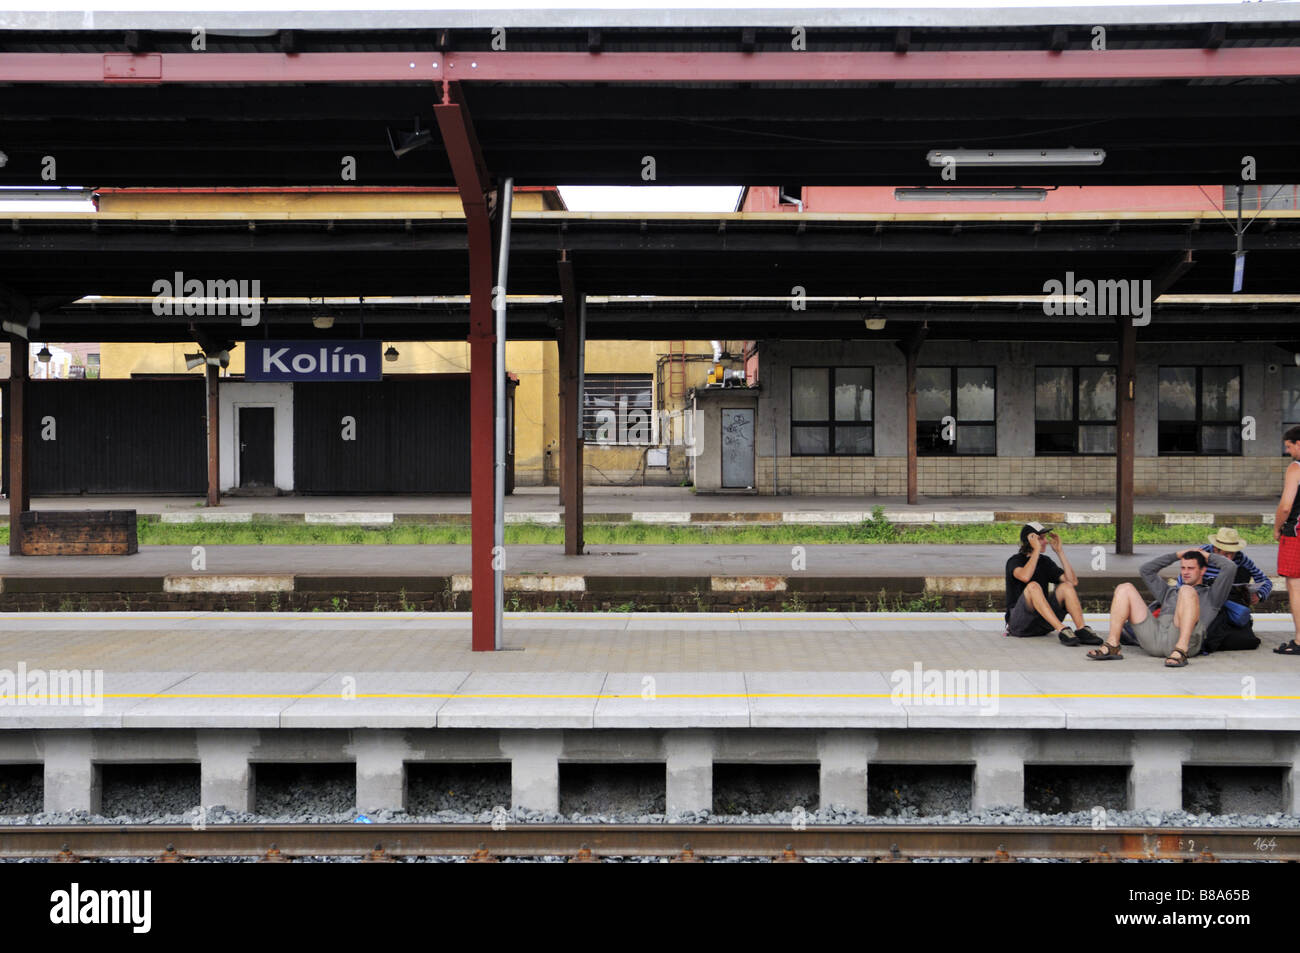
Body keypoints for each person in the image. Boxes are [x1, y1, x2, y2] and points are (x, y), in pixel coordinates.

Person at [1087, 548, 1236, 667]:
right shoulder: (1168, 592)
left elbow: (1230, 568)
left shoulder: (1212, 596)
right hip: (1156, 637)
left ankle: (1181, 651)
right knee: (1124, 588)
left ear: (1203, 570)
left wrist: (1207, 555)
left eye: (1191, 568)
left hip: (1186, 641)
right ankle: (1112, 644)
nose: (1185, 572)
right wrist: (1177, 555)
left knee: (1186, 590)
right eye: (1183, 567)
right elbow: (1146, 570)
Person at [1004, 522, 1102, 645]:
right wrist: (1036, 551)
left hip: (1043, 623)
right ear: (1030, 541)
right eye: (1041, 538)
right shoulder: (1015, 561)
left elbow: (1072, 581)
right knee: (1033, 586)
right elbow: (1025, 576)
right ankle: (1062, 629)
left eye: (1045, 538)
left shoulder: (1045, 561)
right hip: (1019, 625)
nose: (1045, 541)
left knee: (1066, 586)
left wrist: (1060, 552)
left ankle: (1081, 629)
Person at [1199, 527, 1268, 653]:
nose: (1230, 558)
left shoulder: (1241, 558)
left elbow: (1265, 580)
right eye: (1225, 554)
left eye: (1233, 553)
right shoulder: (1200, 555)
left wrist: (1259, 594)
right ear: (1215, 549)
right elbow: (1182, 584)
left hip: (1228, 602)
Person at [1273, 425, 1300, 655]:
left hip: (1296, 533)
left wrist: (1276, 528)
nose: (1289, 451)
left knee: (1295, 585)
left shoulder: (1295, 468)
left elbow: (1285, 506)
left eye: (1289, 446)